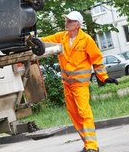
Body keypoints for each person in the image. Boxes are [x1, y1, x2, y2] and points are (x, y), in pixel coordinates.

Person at [41, 11, 118, 152]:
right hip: (67, 84)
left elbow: (97, 60)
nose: (66, 23)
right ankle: (88, 144)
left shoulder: (87, 40)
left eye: (70, 21)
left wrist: (104, 77)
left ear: (77, 24)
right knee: (75, 115)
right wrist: (31, 40)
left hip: (80, 85)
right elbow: (44, 42)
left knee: (84, 113)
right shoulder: (61, 37)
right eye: (66, 20)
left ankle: (92, 147)